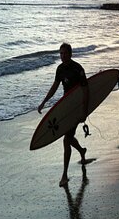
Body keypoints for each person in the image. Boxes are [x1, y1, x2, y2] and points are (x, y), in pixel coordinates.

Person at [38, 43, 89, 187]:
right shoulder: (60, 69)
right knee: (69, 137)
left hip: (76, 108)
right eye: (60, 53)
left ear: (70, 54)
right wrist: (44, 102)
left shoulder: (78, 69)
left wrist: (84, 112)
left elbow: (86, 90)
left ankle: (64, 175)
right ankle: (82, 150)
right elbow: (54, 87)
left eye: (65, 53)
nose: (62, 56)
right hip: (66, 108)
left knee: (66, 139)